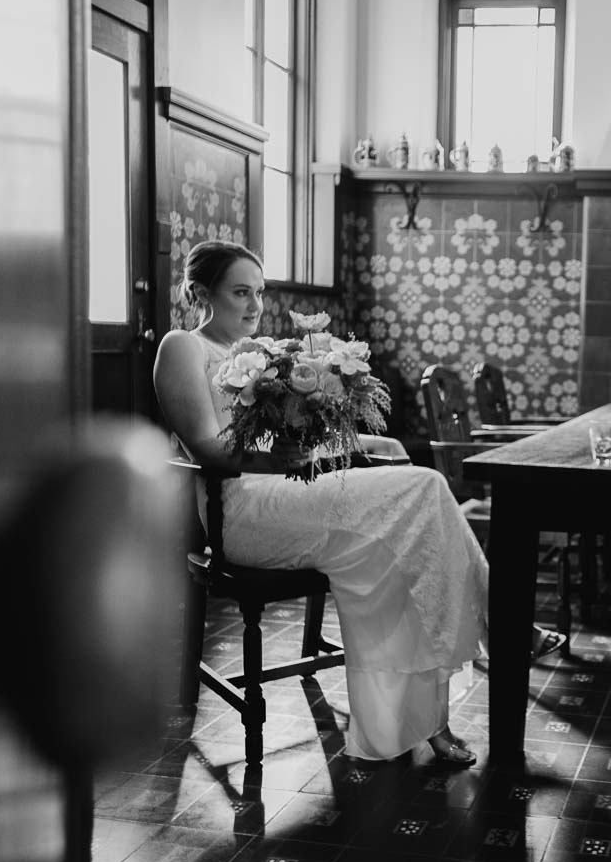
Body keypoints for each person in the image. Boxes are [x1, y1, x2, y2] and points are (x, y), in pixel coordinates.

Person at [154, 240, 563, 767]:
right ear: (201, 292)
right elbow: (210, 449)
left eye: (259, 292)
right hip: (241, 513)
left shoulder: (262, 355)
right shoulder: (182, 347)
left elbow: (281, 437)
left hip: (287, 497)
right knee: (426, 488)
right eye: (240, 293)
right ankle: (504, 624)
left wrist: (333, 441)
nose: (255, 306)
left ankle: (428, 720)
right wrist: (291, 459)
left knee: (408, 547)